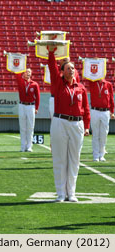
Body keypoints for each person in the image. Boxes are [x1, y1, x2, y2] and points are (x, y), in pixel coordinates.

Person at [48, 46, 90, 203]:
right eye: (68, 68)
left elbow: (86, 109)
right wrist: (51, 52)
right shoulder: (58, 84)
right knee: (60, 159)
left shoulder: (81, 88)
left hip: (76, 124)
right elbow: (52, 68)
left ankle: (71, 193)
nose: (71, 70)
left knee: (74, 159)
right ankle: (60, 193)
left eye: (73, 68)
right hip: (60, 122)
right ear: (62, 71)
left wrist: (86, 126)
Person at [87, 78, 114, 162]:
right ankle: (96, 155)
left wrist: (112, 111)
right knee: (95, 134)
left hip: (105, 112)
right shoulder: (92, 82)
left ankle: (102, 154)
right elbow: (88, 75)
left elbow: (111, 99)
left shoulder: (108, 84)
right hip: (95, 110)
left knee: (104, 134)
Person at [13, 69, 40, 152]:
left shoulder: (34, 84)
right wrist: (21, 67)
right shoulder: (20, 81)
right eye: (26, 72)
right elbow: (17, 74)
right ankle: (22, 146)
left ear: (31, 74)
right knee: (22, 126)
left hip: (31, 106)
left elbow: (38, 97)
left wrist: (36, 108)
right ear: (23, 73)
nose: (27, 73)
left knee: (30, 126)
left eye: (29, 72)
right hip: (22, 105)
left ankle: (29, 146)